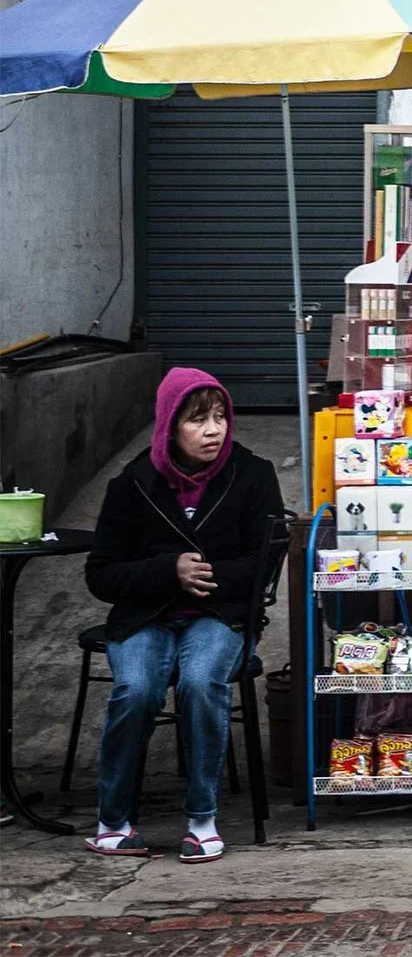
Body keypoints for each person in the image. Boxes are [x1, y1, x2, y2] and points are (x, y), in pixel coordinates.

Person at [82, 368, 286, 861]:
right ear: (170, 425)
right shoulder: (133, 484)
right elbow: (102, 574)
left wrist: (209, 573)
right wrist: (167, 570)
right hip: (144, 616)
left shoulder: (253, 475)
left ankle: (202, 819)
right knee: (136, 690)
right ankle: (113, 820)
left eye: (220, 417)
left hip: (220, 613)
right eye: (198, 420)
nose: (214, 430)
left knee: (200, 683)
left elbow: (268, 560)